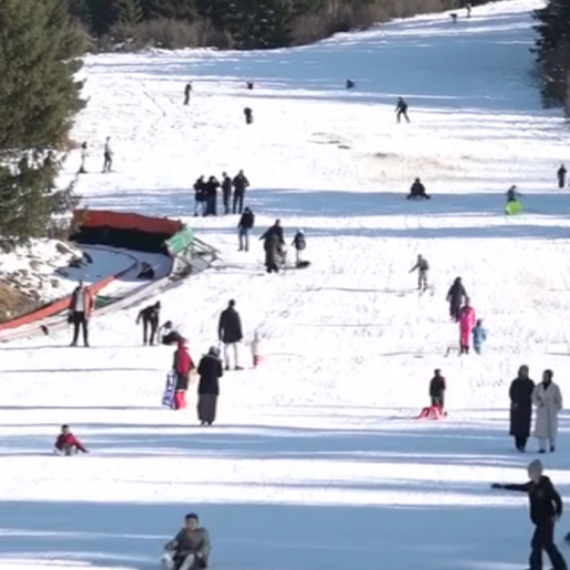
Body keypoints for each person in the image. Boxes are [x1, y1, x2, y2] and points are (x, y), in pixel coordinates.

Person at [491, 459, 567, 570]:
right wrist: (503, 486)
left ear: (537, 472)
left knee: (539, 544)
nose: (528, 474)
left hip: (547, 520)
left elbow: (557, 499)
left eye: (530, 471)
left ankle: (541, 567)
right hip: (540, 520)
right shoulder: (532, 485)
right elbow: (519, 487)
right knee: (545, 544)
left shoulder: (546, 486)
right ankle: (556, 566)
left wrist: (557, 513)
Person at [532, 370, 562, 453]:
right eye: (544, 376)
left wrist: (557, 406)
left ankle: (552, 445)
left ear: (550, 377)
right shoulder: (538, 386)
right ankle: (542, 447)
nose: (544, 377)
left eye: (546, 376)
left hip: (551, 410)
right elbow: (533, 397)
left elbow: (559, 398)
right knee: (541, 429)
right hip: (542, 409)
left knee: (552, 429)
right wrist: (538, 403)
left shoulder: (555, 387)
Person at [509, 365, 535, 452]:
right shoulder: (515, 382)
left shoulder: (530, 383)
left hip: (526, 407)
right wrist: (514, 401)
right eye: (522, 371)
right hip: (516, 407)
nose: (524, 372)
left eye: (525, 371)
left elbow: (534, 393)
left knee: (525, 427)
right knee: (517, 427)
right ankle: (518, 443)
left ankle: (523, 444)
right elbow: (511, 392)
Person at [197, 347, 224, 426]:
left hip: (203, 384)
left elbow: (199, 371)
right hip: (213, 385)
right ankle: (210, 418)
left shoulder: (203, 360)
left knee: (203, 402)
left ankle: (202, 417)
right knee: (212, 403)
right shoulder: (217, 361)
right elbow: (220, 374)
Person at [218, 300, 243, 370]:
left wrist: (220, 335)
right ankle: (236, 365)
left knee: (226, 350)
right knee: (236, 351)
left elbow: (220, 325)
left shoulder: (224, 313)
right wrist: (240, 335)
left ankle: (227, 365)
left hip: (227, 335)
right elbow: (238, 325)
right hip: (235, 335)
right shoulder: (235, 313)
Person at [68, 281, 94, 347]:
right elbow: (72, 301)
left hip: (84, 312)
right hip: (76, 312)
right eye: (80, 284)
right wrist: (70, 309)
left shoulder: (87, 291)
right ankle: (74, 341)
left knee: (85, 328)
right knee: (76, 328)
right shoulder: (75, 291)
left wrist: (90, 309)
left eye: (82, 284)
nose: (81, 285)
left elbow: (91, 301)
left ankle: (86, 342)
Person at [172, 339, 194, 410]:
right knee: (183, 389)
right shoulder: (186, 353)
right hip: (186, 374)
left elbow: (175, 363)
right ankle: (183, 403)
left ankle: (178, 404)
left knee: (177, 389)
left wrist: (174, 369)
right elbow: (192, 364)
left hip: (179, 373)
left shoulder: (176, 353)